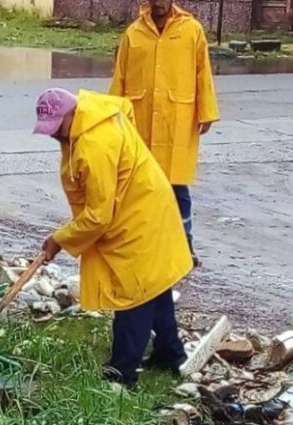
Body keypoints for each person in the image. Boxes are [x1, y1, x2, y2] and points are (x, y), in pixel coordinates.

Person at [34, 87, 192, 390]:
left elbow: (99, 215)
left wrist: (60, 239)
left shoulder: (95, 144)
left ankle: (122, 373)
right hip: (144, 207)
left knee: (131, 294)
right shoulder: (90, 120)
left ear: (71, 113)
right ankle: (170, 355)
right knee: (154, 286)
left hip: (138, 219)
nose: (54, 136)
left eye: (56, 127)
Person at [109, 0, 219, 267]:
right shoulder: (134, 34)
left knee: (176, 187)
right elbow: (120, 77)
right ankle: (143, 245)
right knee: (140, 188)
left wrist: (206, 111)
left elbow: (202, 73)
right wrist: (112, 115)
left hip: (176, 122)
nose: (158, 4)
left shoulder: (191, 30)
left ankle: (185, 245)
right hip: (140, 122)